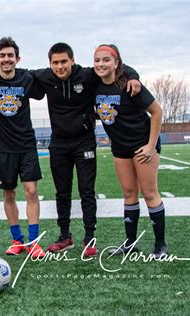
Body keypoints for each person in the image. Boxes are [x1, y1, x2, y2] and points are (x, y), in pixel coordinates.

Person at [28, 43, 141, 256]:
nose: (60, 66)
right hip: (59, 142)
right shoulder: (45, 76)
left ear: (72, 60)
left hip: (84, 142)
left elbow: (118, 68)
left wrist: (134, 77)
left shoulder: (87, 75)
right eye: (55, 62)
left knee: (86, 191)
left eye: (64, 61)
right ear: (50, 63)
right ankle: (65, 237)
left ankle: (90, 238)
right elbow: (18, 73)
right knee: (62, 192)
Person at [93, 44, 167, 258]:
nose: (101, 64)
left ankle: (160, 245)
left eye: (106, 60)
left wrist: (151, 145)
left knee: (150, 193)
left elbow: (157, 111)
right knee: (128, 193)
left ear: (117, 63)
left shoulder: (130, 84)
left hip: (142, 145)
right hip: (120, 147)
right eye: (97, 60)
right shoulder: (95, 86)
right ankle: (130, 243)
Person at [0, 37, 46, 259]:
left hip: (26, 144)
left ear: (17, 58)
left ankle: (34, 242)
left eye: (10, 55)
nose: (6, 59)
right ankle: (17, 241)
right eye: (2, 56)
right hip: (2, 147)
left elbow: (44, 80)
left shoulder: (27, 78)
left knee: (32, 191)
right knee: (9, 194)